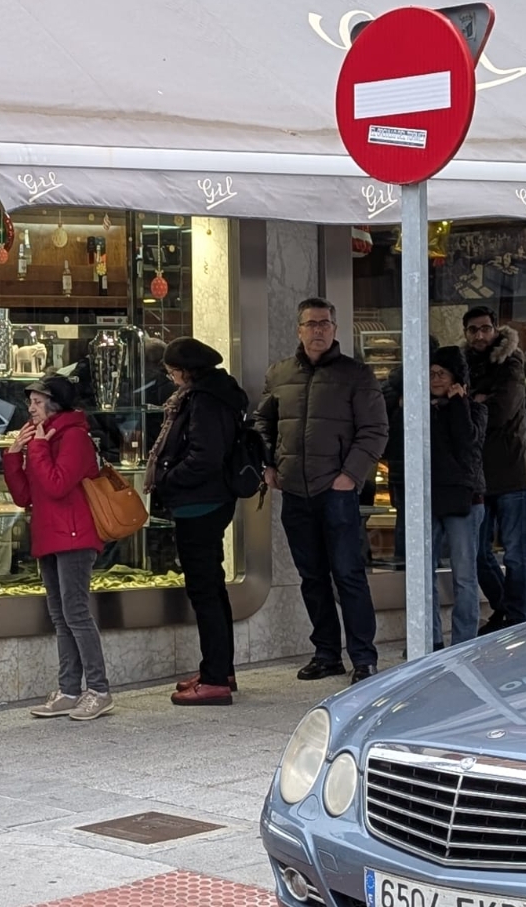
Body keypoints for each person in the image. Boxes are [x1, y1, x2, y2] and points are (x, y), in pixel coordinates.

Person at [257, 298, 388, 684]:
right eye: (311, 323)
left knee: (348, 575)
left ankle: (364, 657)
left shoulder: (357, 375)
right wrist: (268, 464)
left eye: (325, 323)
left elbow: (375, 430)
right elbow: (262, 423)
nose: (318, 330)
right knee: (311, 577)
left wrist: (351, 475)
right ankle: (326, 653)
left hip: (338, 492)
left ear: (335, 329)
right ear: (298, 329)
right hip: (296, 491)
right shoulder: (279, 374)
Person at [3, 374, 113, 721]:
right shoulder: (43, 438)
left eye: (36, 402)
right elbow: (24, 496)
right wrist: (13, 456)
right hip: (49, 536)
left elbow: (57, 484)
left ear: (54, 404)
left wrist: (35, 447)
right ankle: (68, 689)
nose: (30, 408)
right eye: (30, 402)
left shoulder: (74, 437)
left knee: (76, 612)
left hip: (74, 536)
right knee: (61, 616)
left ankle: (99, 689)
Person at [146, 338, 246, 707]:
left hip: (199, 503)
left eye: (173, 372)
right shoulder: (217, 393)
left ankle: (216, 678)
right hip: (208, 500)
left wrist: (168, 480)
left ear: (186, 371)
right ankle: (218, 667)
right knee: (212, 588)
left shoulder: (205, 400)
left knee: (204, 590)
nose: (171, 379)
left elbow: (205, 456)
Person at [464, 307, 526, 633]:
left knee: (517, 553)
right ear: (466, 333)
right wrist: (476, 400)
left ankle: (520, 619)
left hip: (512, 472)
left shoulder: (512, 361)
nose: (480, 335)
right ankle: (506, 609)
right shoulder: (461, 364)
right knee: (477, 553)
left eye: (485, 329)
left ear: (495, 330)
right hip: (478, 476)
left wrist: (473, 402)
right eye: (473, 330)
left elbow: (501, 410)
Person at [428, 346, 488, 650]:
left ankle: (464, 643)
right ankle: (432, 640)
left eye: (442, 373)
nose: (435, 379)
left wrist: (459, 403)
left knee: (464, 576)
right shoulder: (423, 409)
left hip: (465, 500)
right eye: (431, 373)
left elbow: (468, 443)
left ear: (455, 377)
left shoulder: (474, 409)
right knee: (424, 576)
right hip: (429, 499)